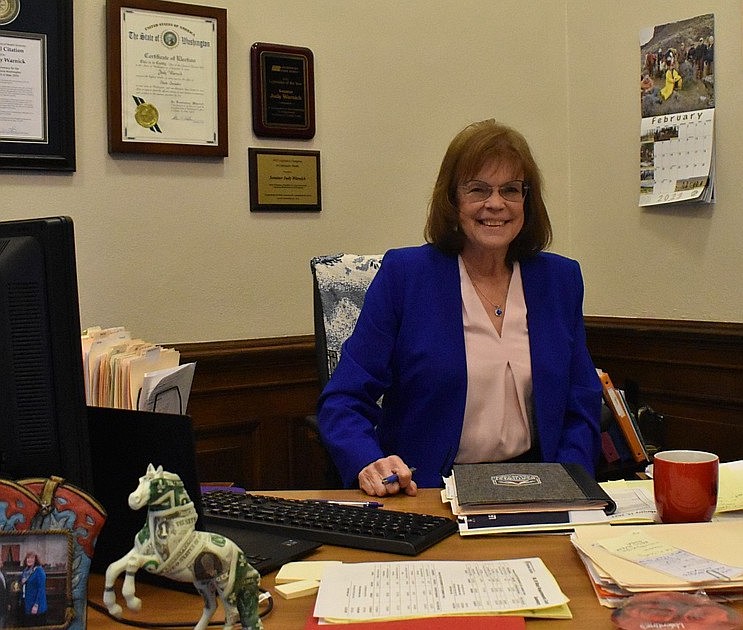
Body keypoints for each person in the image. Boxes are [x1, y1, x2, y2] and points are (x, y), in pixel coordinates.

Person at [317, 119, 602, 497]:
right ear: (452, 200)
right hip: (428, 490)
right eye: (478, 189)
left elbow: (580, 403)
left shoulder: (559, 280)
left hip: (538, 487)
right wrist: (368, 461)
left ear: (526, 200)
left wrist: (568, 482)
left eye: (510, 190)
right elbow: (344, 399)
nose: (496, 204)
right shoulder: (406, 276)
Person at [20, 552, 46, 626]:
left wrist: (36, 605)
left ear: (35, 560)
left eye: (32, 558)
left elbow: (41, 589)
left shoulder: (39, 571)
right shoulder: (25, 571)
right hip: (27, 603)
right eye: (28, 558)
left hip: (36, 605)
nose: (29, 560)